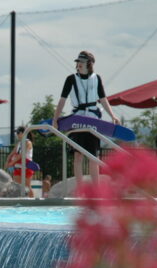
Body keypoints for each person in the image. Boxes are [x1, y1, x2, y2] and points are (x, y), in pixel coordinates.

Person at [52, 51, 120, 187]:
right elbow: (62, 100)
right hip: (77, 120)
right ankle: (81, 189)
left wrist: (112, 115)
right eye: (78, 62)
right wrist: (55, 119)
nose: (79, 65)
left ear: (89, 64)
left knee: (93, 157)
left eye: (82, 62)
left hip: (93, 120)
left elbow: (103, 99)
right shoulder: (71, 79)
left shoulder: (97, 78)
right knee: (78, 155)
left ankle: (95, 189)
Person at [5, 126, 35, 198]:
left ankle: (33, 204)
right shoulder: (19, 143)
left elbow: (22, 155)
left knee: (27, 186)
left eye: (18, 133)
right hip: (18, 166)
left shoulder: (28, 142)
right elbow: (11, 154)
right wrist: (7, 161)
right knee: (17, 186)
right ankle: (20, 202)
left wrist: (11, 163)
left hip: (27, 167)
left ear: (23, 133)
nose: (17, 134)